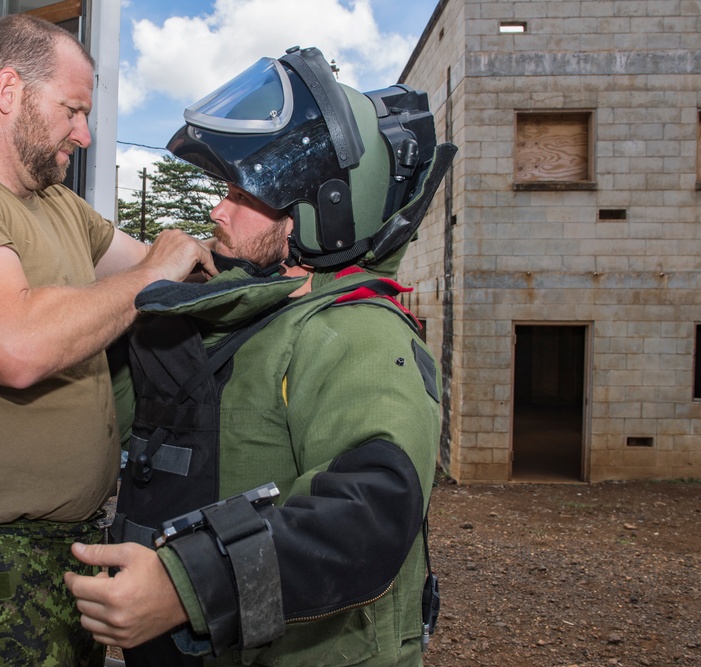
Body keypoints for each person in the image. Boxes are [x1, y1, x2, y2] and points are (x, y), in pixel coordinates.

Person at [64, 46, 457, 666]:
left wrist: (188, 584)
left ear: (318, 209)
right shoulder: (237, 317)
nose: (217, 210)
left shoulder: (356, 333)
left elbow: (371, 509)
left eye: (242, 194)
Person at [0, 13, 215, 666]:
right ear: (8, 91)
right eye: (72, 110)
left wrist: (242, 260)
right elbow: (15, 345)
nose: (83, 134)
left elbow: (170, 275)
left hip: (73, 543)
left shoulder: (59, 206)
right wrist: (154, 271)